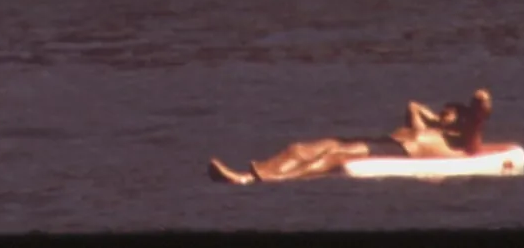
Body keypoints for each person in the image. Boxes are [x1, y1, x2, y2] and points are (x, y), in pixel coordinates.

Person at [209, 88, 493, 184]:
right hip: (385, 142)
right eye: (442, 111)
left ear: (463, 119)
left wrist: (462, 113)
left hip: (399, 152)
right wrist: (436, 119)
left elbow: (482, 102)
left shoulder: (463, 139)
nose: (442, 114)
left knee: (334, 156)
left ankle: (269, 179)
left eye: (449, 113)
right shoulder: (427, 128)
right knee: (301, 148)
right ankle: (250, 174)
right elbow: (413, 106)